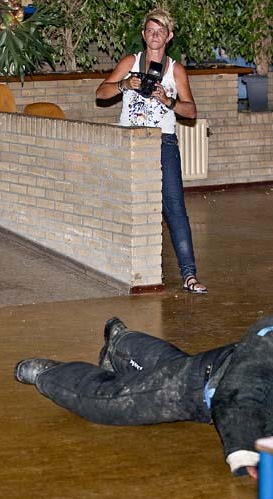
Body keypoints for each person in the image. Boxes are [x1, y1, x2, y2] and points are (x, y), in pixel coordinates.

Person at [14, 294, 273, 478]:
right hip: (203, 389)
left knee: (171, 363)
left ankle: (122, 343)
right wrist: (243, 453)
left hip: (218, 366)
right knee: (111, 402)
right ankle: (49, 374)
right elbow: (239, 399)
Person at [96, 8, 207, 294]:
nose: (154, 36)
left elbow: (191, 111)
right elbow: (100, 93)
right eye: (150, 30)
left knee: (175, 209)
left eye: (160, 31)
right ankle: (116, 268)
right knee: (123, 203)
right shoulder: (131, 62)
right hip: (130, 143)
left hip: (163, 143)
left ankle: (189, 274)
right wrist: (124, 84)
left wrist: (168, 100)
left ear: (168, 36)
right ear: (144, 35)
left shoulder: (175, 70)